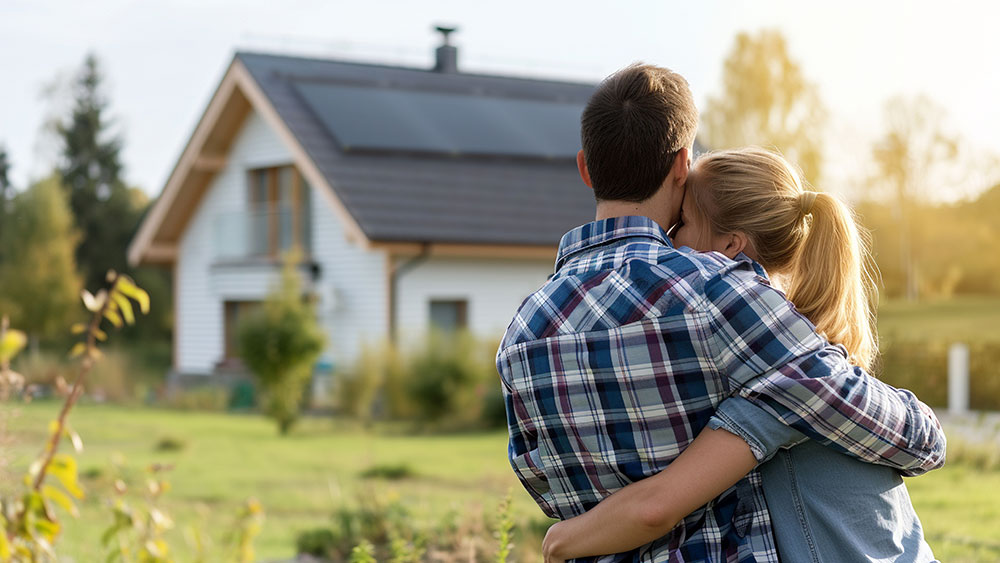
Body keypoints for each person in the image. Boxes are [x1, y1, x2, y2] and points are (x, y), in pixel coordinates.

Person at [496, 63, 945, 562]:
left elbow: (547, 491)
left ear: (585, 168)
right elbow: (907, 437)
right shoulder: (716, 291)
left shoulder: (521, 334)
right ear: (681, 165)